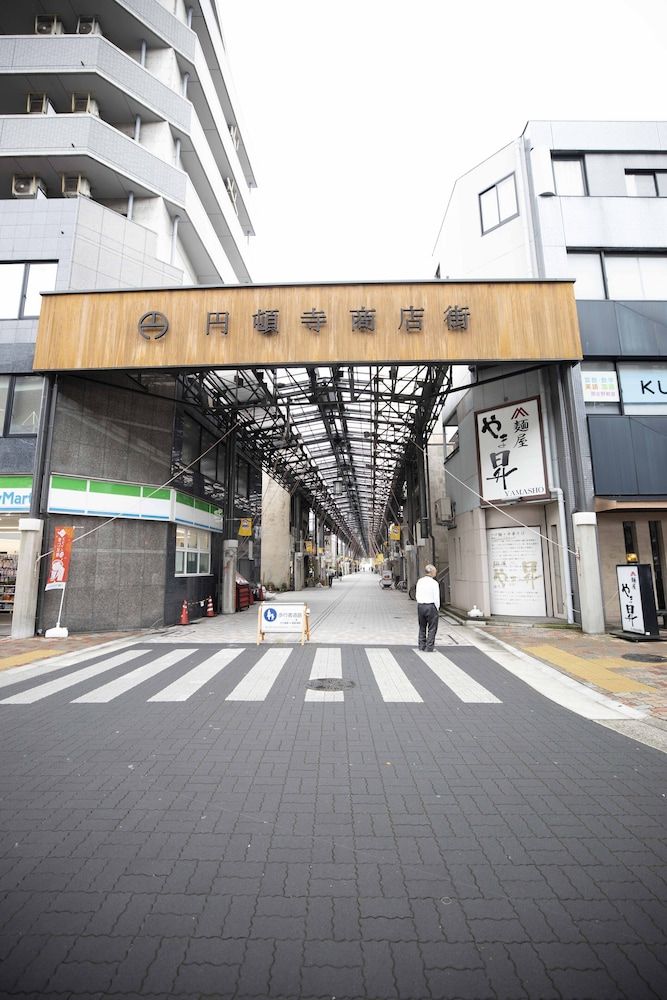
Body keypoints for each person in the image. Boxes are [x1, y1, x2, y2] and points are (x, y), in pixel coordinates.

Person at [415, 564, 440, 651]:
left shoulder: (420, 581)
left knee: (422, 626)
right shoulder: (434, 583)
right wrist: (437, 608)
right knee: (432, 627)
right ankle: (429, 647)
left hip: (421, 606)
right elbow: (436, 598)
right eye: (435, 571)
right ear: (432, 572)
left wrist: (419, 602)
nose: (436, 573)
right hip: (431, 606)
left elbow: (417, 594)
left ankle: (421, 645)